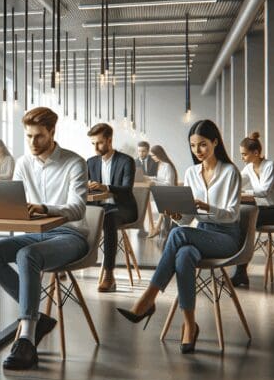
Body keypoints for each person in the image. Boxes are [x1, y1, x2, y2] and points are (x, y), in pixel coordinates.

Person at [117, 120, 241, 354]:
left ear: (215, 142)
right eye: (193, 146)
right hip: (201, 234)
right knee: (183, 254)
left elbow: (233, 215)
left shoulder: (230, 172)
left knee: (177, 234)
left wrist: (208, 207)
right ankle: (189, 325)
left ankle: (148, 299)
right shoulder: (191, 173)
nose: (197, 150)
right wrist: (177, 215)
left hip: (226, 237)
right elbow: (186, 220)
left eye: (202, 144)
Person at [0, 107, 89, 370]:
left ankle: (27, 338)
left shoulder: (75, 162)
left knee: (27, 255)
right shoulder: (23, 163)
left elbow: (78, 208)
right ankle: (37, 316)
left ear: (52, 132)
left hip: (71, 235)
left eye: (39, 136)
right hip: (35, 235)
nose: (33, 142)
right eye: (29, 136)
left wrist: (44, 208)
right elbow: (17, 203)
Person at [231, 131, 274, 287]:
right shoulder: (249, 168)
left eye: (244, 154)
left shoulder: (271, 166)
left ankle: (240, 273)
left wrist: (243, 193)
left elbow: (264, 191)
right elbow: (236, 182)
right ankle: (240, 272)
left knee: (245, 221)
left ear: (256, 153)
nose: (242, 158)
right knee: (242, 216)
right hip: (266, 209)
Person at [85, 123, 138, 292]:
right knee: (73, 214)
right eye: (93, 143)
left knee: (108, 219)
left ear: (109, 140)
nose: (95, 148)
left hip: (123, 209)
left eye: (99, 143)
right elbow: (84, 189)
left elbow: (126, 189)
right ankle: (65, 264)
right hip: (98, 208)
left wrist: (105, 187)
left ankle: (109, 275)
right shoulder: (90, 162)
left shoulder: (126, 161)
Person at [147, 145, 178, 238]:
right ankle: (153, 227)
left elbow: (169, 184)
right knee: (147, 199)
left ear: (159, 154)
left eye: (153, 155)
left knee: (163, 203)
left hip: (169, 193)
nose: (152, 158)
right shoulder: (160, 165)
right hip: (163, 192)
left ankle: (156, 228)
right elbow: (160, 179)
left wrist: (154, 183)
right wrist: (150, 178)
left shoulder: (167, 166)